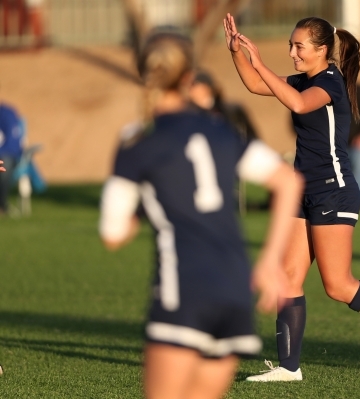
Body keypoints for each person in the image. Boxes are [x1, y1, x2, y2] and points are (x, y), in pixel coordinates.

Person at [223, 13, 360, 381]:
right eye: (290, 45)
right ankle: (289, 368)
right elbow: (258, 86)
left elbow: (299, 104)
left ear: (322, 50)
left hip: (333, 190)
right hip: (302, 191)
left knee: (338, 286)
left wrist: (259, 60)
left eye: (299, 46)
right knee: (288, 278)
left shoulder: (330, 81)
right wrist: (236, 54)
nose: (292, 52)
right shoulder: (306, 79)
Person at [98, 29, 303, 399]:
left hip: (184, 290)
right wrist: (270, 260)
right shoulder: (219, 129)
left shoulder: (137, 140)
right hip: (235, 290)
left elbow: (112, 235)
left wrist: (146, 204)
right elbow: (288, 182)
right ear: (189, 77)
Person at [0, 97, 25, 215]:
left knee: (5, 165)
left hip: (5, 155)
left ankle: (2, 205)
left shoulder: (7, 114)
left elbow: (12, 142)